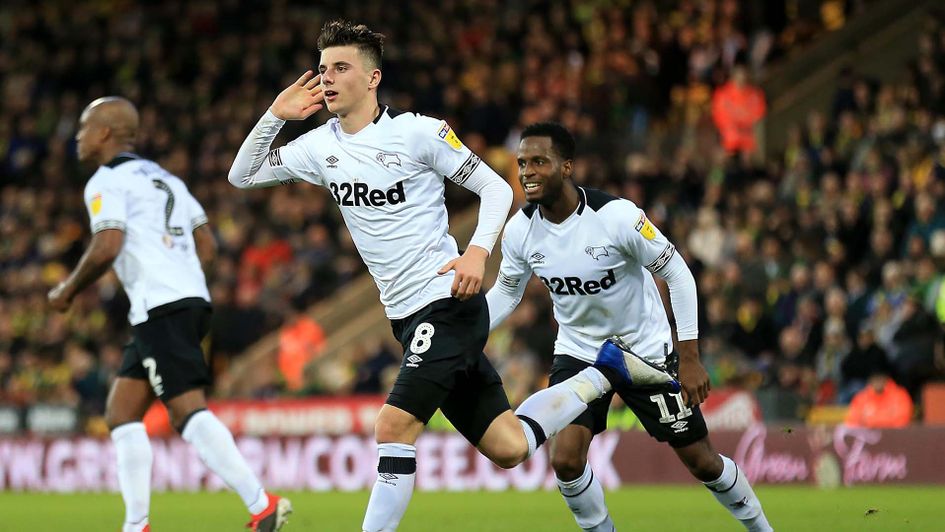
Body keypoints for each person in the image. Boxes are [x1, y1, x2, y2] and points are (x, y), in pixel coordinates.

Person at [227, 20, 673, 531]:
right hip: (405, 316)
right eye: (323, 68)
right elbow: (243, 175)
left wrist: (477, 253)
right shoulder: (318, 147)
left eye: (341, 68)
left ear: (372, 79)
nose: (327, 78)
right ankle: (604, 372)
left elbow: (497, 190)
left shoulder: (419, 132)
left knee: (392, 426)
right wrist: (272, 116)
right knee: (508, 446)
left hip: (447, 303)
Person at [486, 122, 772, 532]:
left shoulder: (616, 217)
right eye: (522, 163)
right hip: (580, 354)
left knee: (701, 461)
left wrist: (689, 356)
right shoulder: (519, 232)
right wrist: (468, 330)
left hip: (644, 354)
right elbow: (506, 294)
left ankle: (762, 528)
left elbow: (679, 274)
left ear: (566, 167)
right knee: (566, 460)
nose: (527, 171)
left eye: (538, 162)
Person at [48, 97, 290, 532]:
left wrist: (68, 290)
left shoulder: (105, 181)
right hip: (182, 302)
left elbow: (107, 245)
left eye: (84, 128)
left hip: (162, 307)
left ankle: (262, 503)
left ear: (104, 133)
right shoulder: (168, 180)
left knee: (186, 412)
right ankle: (136, 524)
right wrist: (181, 278)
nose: (78, 137)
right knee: (122, 413)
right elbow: (209, 246)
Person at [844, 373, 914, 428]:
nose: (878, 381)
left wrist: (870, 422)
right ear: (870, 379)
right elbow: (852, 422)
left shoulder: (900, 395)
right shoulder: (861, 397)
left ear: (886, 377)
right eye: (875, 378)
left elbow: (903, 421)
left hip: (895, 439)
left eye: (880, 377)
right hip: (868, 440)